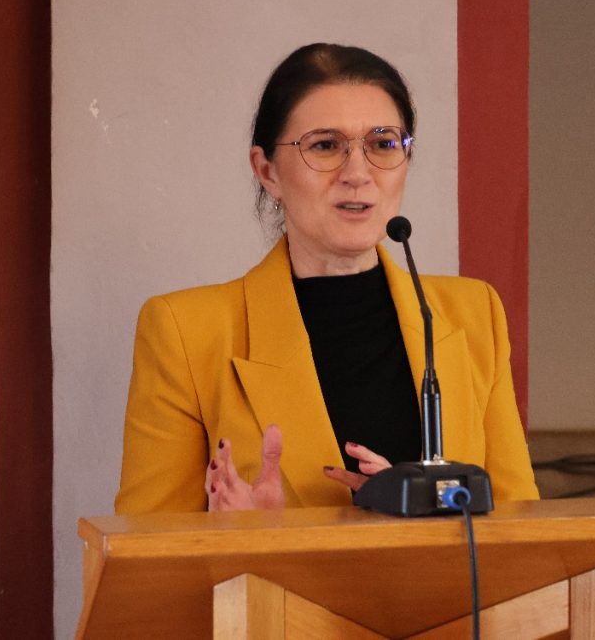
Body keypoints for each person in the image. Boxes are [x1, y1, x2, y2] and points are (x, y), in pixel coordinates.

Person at [115, 43, 538, 514]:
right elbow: (147, 545)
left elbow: (521, 527)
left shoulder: (472, 314)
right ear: (267, 171)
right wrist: (237, 540)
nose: (358, 173)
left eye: (382, 144)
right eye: (325, 145)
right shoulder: (186, 332)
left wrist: (412, 511)